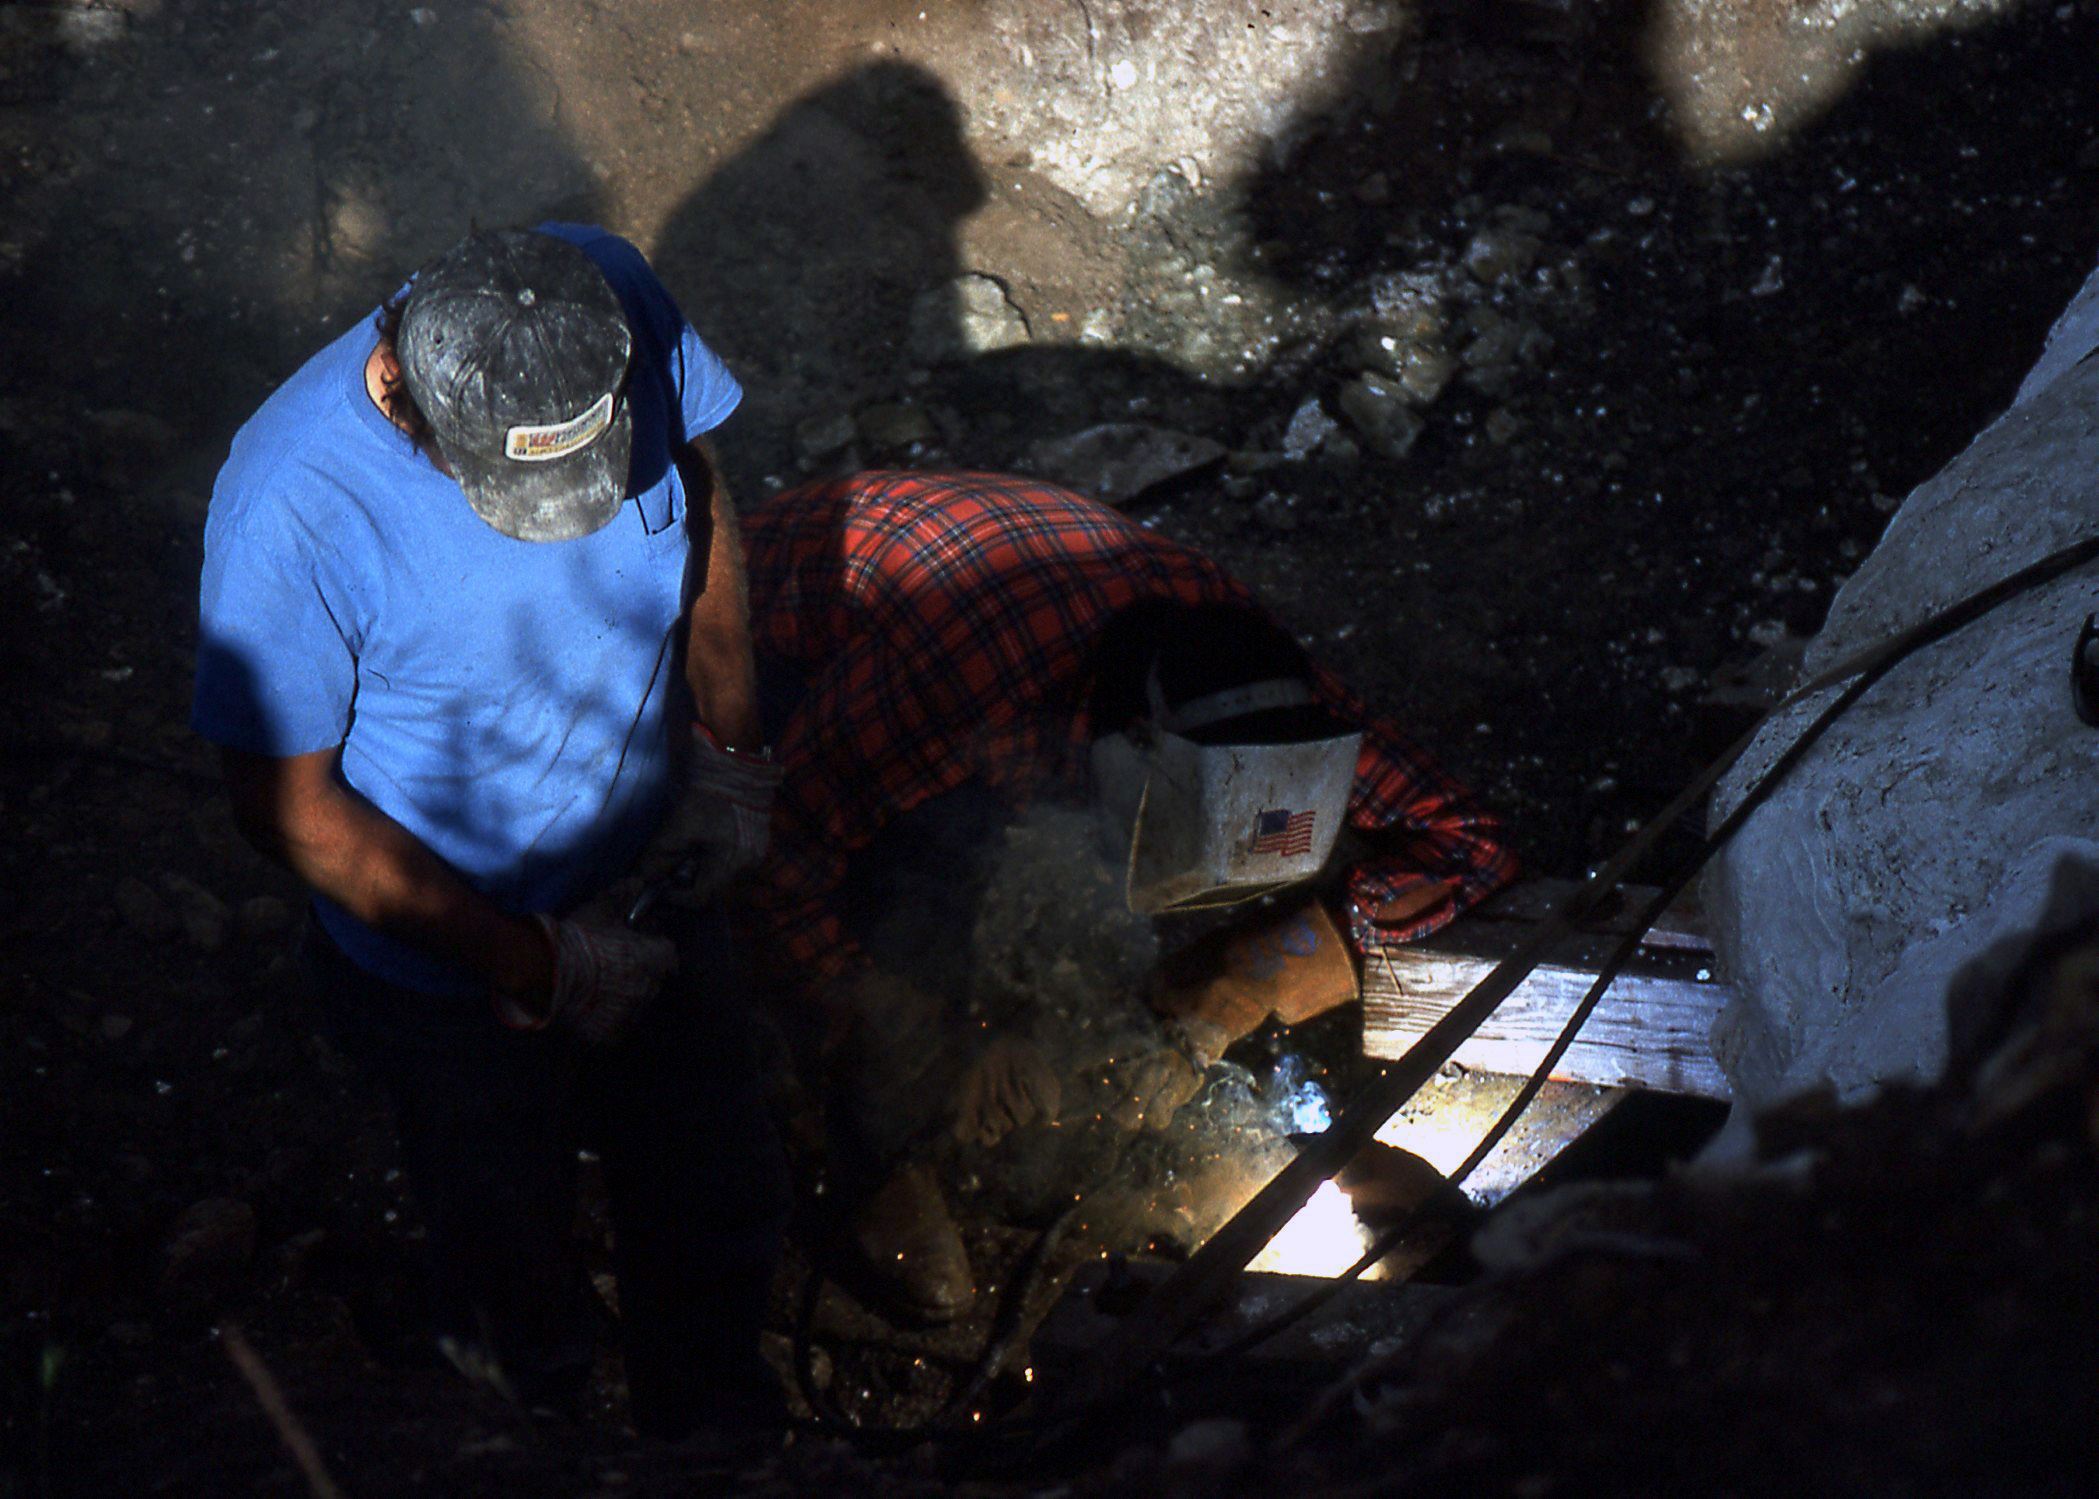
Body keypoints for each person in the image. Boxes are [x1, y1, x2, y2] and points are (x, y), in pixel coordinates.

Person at [190, 224, 789, 1436]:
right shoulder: (291, 508)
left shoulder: (602, 296)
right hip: (449, 974)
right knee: (508, 1246)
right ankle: (538, 1423)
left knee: (713, 1193)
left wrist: (728, 747)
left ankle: (715, 1435)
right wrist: (533, 965)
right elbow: (287, 809)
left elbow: (706, 488)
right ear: (405, 388)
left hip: (645, 874)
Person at [735, 468, 1517, 1320]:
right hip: (760, 635)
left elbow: (1468, 844)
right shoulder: (966, 687)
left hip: (1000, 662)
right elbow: (776, 854)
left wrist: (1238, 981)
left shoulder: (1263, 691)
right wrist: (936, 1033)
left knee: (966, 831)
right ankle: (856, 1149)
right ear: (1130, 748)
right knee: (899, 860)